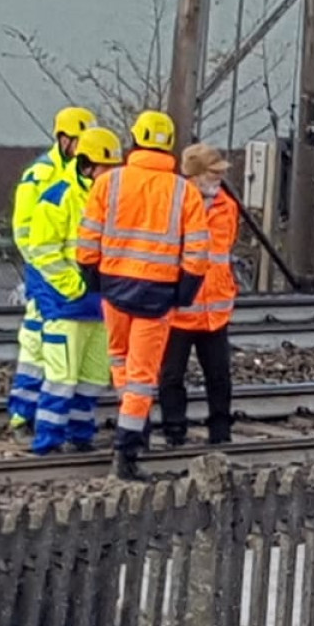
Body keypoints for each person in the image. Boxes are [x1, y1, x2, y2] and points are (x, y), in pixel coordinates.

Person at [77, 109, 211, 480]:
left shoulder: (110, 183)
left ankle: (131, 423)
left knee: (119, 359)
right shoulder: (185, 191)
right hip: (158, 292)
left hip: (114, 286)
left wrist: (91, 273)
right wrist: (186, 288)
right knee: (142, 374)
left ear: (134, 140)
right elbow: (198, 249)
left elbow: (88, 236)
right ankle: (127, 449)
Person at [23, 127, 123, 455]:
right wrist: (73, 287)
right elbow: (42, 250)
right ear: (86, 164)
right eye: (105, 169)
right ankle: (48, 441)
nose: (110, 175)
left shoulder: (111, 198)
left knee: (92, 378)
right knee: (61, 378)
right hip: (68, 304)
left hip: (98, 304)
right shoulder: (58, 197)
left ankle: (80, 437)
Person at [6, 105, 95, 430]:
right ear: (64, 139)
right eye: (78, 140)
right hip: (45, 270)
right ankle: (24, 412)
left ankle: (42, 413)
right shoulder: (42, 174)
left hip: (65, 271)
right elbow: (24, 229)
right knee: (36, 340)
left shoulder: (76, 172)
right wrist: (44, 268)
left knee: (55, 347)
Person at [159, 144, 243, 447]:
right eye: (214, 172)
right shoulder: (173, 204)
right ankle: (174, 432)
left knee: (219, 376)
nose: (220, 177)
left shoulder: (227, 206)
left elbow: (223, 251)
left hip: (214, 308)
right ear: (193, 175)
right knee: (171, 376)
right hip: (181, 308)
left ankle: (220, 433)